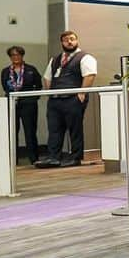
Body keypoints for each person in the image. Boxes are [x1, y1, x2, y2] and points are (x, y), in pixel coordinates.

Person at [36, 31, 96, 168]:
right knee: (54, 129)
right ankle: (53, 157)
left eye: (72, 39)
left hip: (73, 98)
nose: (69, 42)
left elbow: (90, 75)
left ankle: (75, 157)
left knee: (75, 129)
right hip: (56, 100)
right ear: (62, 43)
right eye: (66, 40)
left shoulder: (85, 57)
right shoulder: (55, 59)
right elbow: (47, 77)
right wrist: (51, 93)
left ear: (77, 40)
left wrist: (82, 93)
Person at [0, 46, 42, 165]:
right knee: (12, 132)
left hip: (28, 104)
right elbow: (5, 86)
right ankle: (13, 160)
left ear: (22, 56)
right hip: (12, 104)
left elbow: (38, 85)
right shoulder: (6, 71)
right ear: (10, 57)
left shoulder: (31, 69)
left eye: (18, 54)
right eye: (13, 55)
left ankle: (34, 159)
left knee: (30, 131)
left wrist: (32, 98)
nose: (15, 57)